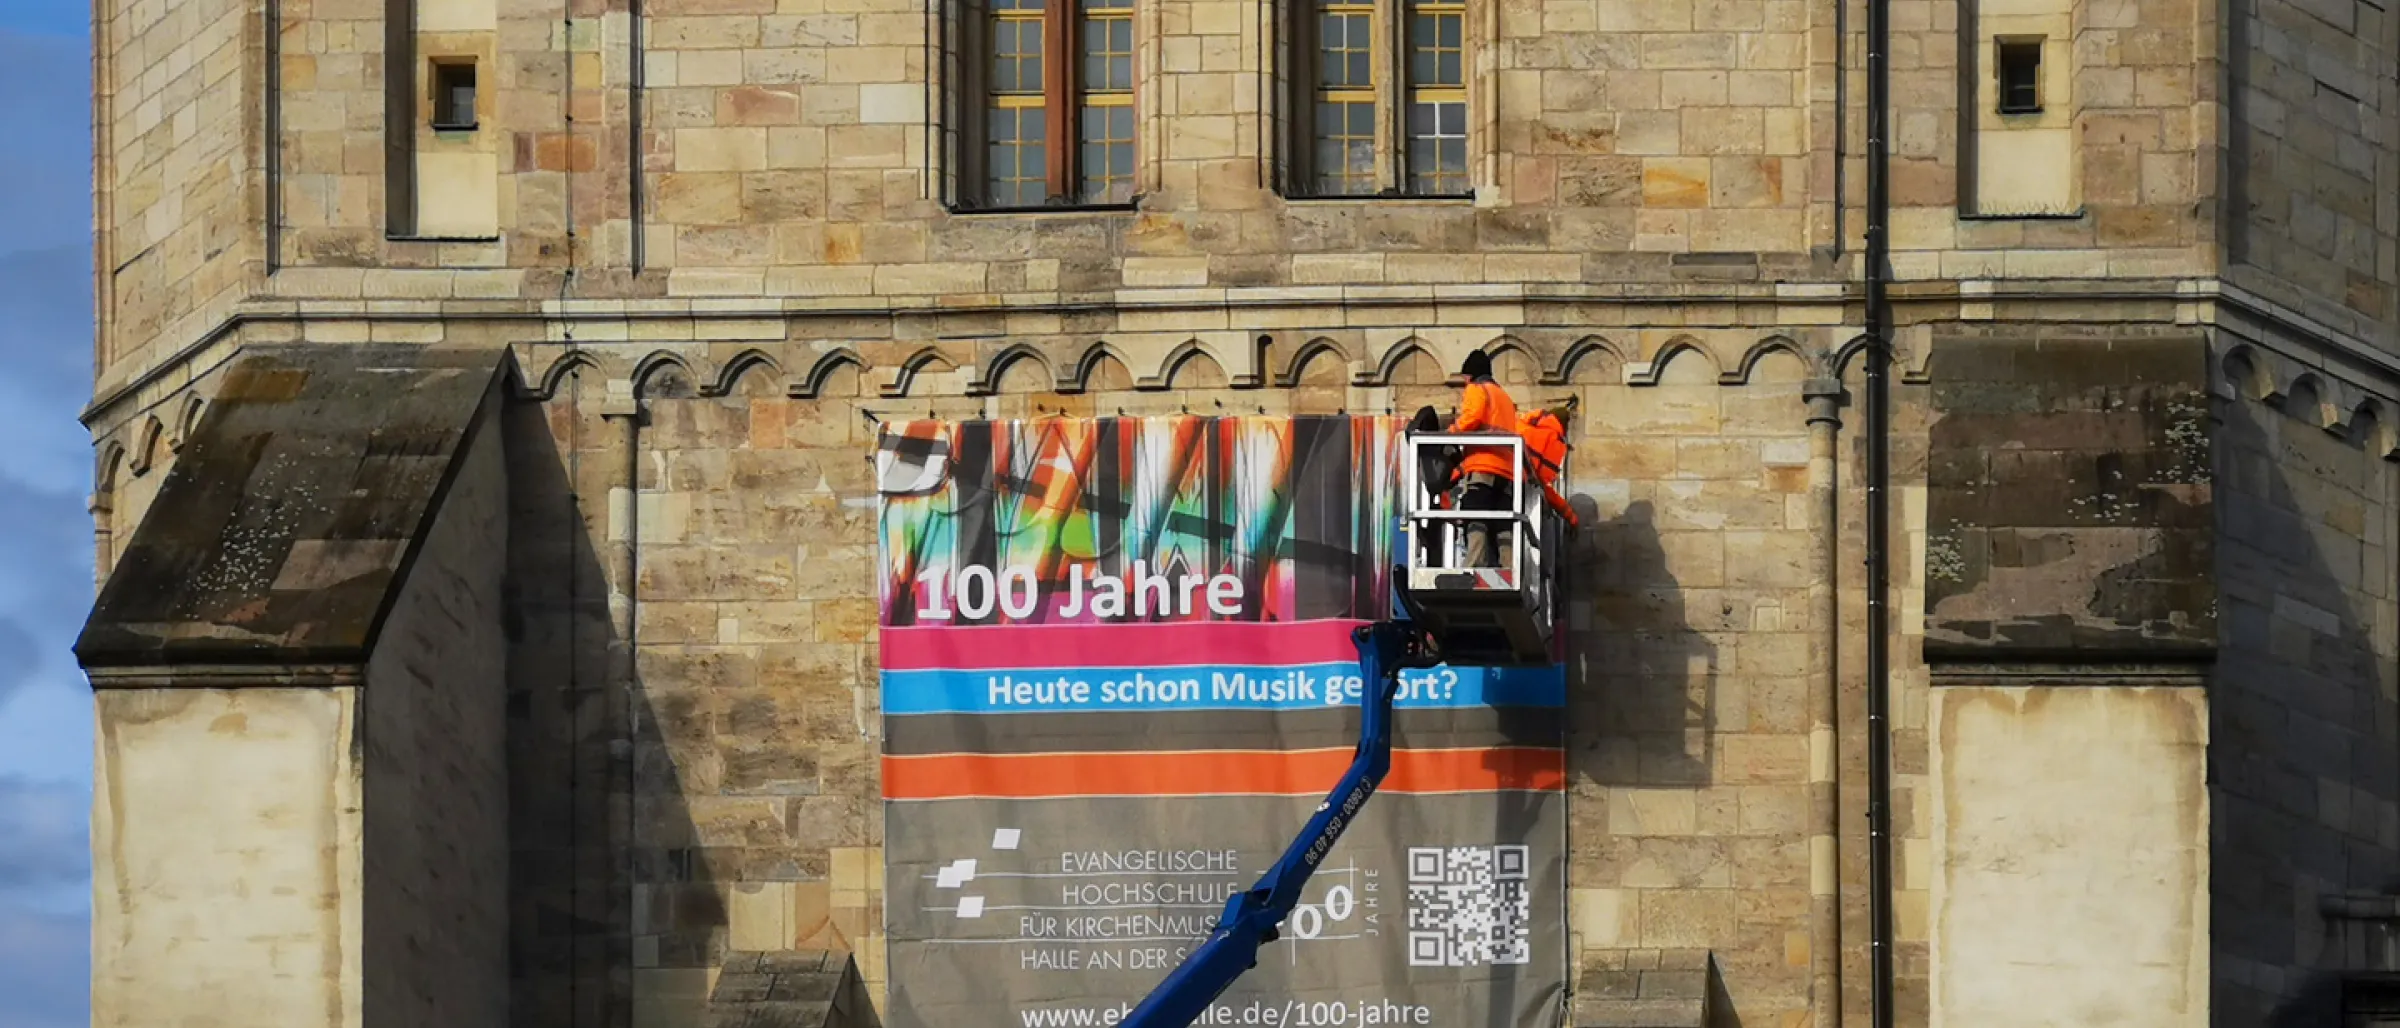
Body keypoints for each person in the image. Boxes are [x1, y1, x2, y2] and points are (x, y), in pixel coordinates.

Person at [1446, 349, 1518, 567]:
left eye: (1466, 377)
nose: (1465, 381)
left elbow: (1472, 417)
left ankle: (1475, 565)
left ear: (1472, 374)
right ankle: (1509, 566)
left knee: (1474, 513)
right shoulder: (1503, 396)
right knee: (1502, 522)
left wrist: (1451, 431)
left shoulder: (1477, 389)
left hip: (1483, 463)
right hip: (1506, 469)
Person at [1516, 396, 1579, 530]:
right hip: (1520, 493)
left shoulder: (1522, 425)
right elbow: (1544, 485)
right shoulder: (1551, 439)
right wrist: (1570, 516)